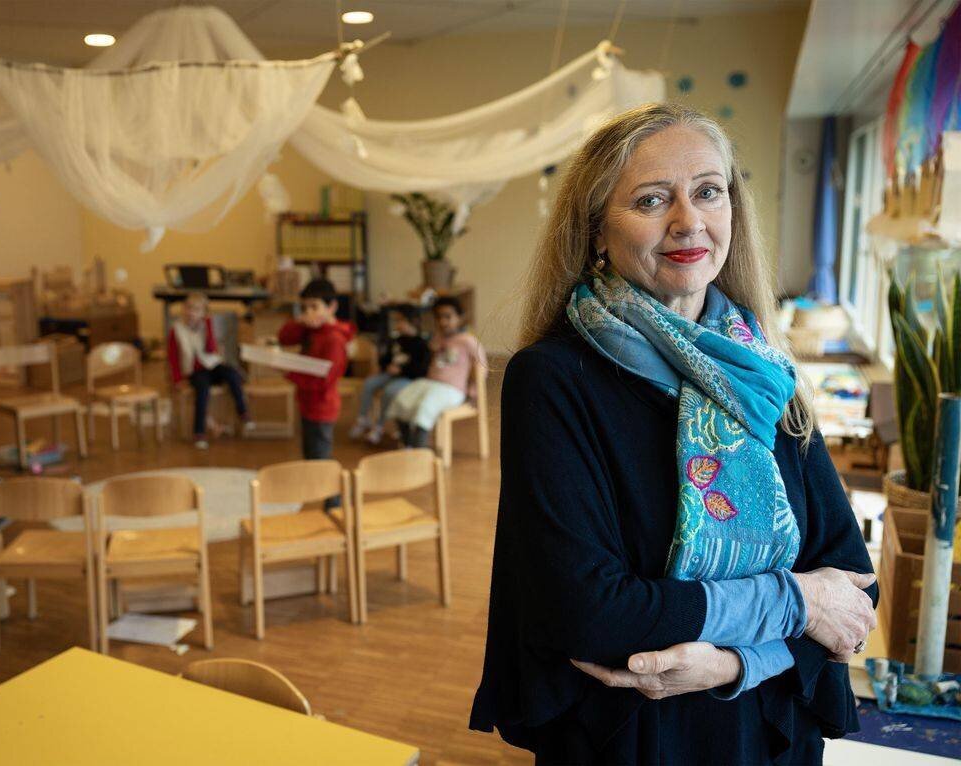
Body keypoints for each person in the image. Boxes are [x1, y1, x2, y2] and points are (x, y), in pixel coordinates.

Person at [469, 103, 878, 765]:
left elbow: (855, 585)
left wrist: (730, 665)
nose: (688, 221)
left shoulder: (763, 371)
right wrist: (797, 600)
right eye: (652, 199)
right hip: (633, 738)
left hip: (772, 728)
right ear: (597, 231)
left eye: (708, 191)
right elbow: (589, 611)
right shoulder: (553, 380)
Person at [278, 279, 356, 506]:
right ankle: (332, 501)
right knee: (313, 457)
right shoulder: (312, 330)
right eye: (305, 307)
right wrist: (301, 322)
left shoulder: (334, 339)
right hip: (308, 402)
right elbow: (284, 338)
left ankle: (335, 506)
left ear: (331, 307)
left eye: (315, 306)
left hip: (322, 405)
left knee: (321, 461)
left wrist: (288, 373)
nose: (309, 312)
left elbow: (323, 381)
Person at [387, 297, 486, 449]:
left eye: (448, 317)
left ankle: (420, 454)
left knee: (425, 408)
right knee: (402, 400)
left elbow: (482, 366)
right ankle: (408, 446)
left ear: (460, 318)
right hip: (430, 383)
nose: (443, 322)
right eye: (439, 317)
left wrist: (473, 392)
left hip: (452, 389)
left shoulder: (468, 340)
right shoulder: (437, 338)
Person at [166, 292, 252, 449]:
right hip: (195, 371)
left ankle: (243, 412)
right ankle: (199, 432)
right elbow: (172, 357)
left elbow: (211, 349)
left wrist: (208, 326)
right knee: (202, 390)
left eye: (197, 310)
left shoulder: (206, 325)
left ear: (203, 312)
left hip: (212, 365)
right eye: (189, 309)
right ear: (184, 309)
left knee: (232, 374)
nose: (192, 313)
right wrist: (177, 379)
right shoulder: (176, 330)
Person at [349, 305, 430, 445]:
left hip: (408, 378)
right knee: (369, 383)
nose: (397, 324)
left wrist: (401, 371)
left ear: (413, 322)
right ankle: (363, 418)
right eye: (396, 321)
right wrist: (387, 366)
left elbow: (421, 369)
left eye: (401, 321)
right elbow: (384, 359)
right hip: (390, 374)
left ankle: (379, 426)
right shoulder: (396, 340)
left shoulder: (421, 344)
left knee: (389, 391)